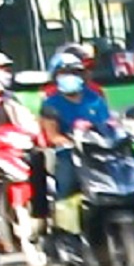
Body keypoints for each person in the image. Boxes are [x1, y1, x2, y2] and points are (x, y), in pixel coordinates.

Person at [38, 51, 111, 231]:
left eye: (75, 72)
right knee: (67, 187)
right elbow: (53, 135)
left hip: (97, 151)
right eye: (64, 73)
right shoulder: (51, 104)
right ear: (56, 76)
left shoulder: (95, 98)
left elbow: (107, 125)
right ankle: (66, 232)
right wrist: (69, 142)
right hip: (69, 154)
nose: (70, 76)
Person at [0, 49, 36, 133]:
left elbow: (30, 126)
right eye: (3, 69)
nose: (8, 75)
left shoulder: (10, 99)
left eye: (8, 70)